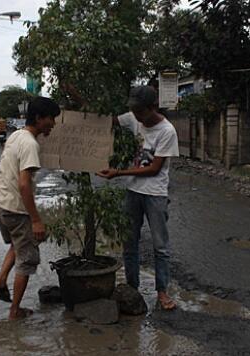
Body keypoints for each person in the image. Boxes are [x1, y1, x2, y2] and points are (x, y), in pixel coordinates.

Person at [97, 85, 179, 310]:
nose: (136, 116)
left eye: (140, 111)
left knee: (160, 246)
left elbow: (154, 169)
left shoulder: (167, 131)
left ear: (153, 107)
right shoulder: (133, 119)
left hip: (155, 194)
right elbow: (108, 121)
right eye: (133, 111)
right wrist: (76, 96)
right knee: (129, 242)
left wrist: (118, 173)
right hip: (132, 191)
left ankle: (162, 292)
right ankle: (132, 287)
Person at [0, 96, 60, 320]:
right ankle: (15, 311)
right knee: (27, 260)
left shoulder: (16, 136)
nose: (53, 124)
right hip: (15, 209)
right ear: (39, 118)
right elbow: (24, 184)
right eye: (51, 119)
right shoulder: (30, 143)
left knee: (19, 245)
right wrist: (36, 219)